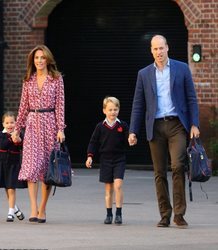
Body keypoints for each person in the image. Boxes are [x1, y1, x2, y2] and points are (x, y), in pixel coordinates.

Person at [128, 35, 200, 228]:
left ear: (167, 48)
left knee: (178, 166)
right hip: (155, 126)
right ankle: (165, 214)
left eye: (161, 48)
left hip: (177, 125)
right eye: (155, 49)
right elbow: (138, 104)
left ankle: (179, 213)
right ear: (151, 51)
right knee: (159, 172)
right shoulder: (144, 74)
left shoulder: (181, 68)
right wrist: (133, 130)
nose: (159, 52)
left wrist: (194, 124)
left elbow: (191, 98)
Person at [12, 45, 66, 223]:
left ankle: (43, 208)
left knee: (47, 169)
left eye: (43, 58)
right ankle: (33, 208)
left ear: (48, 59)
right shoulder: (28, 80)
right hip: (32, 124)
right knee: (31, 166)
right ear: (32, 60)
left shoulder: (56, 79)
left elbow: (60, 105)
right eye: (36, 58)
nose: (40, 61)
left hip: (50, 123)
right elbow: (22, 107)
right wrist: (17, 129)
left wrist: (60, 129)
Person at [86, 96, 129, 225]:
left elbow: (129, 137)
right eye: (110, 109)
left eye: (115, 109)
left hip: (119, 159)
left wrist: (132, 139)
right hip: (105, 160)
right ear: (104, 110)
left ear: (119, 110)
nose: (113, 112)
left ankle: (119, 214)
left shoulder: (122, 125)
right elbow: (93, 142)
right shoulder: (100, 126)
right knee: (108, 189)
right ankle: (109, 214)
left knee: (118, 185)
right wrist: (90, 156)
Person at [0, 111, 27, 222]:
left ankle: (10, 212)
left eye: (12, 122)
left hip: (14, 164)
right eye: (7, 123)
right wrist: (12, 138)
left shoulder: (19, 134)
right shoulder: (0, 135)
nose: (10, 125)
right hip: (2, 164)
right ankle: (16, 209)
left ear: (16, 123)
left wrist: (19, 141)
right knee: (7, 188)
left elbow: (22, 146)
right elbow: (3, 145)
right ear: (3, 124)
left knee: (11, 188)